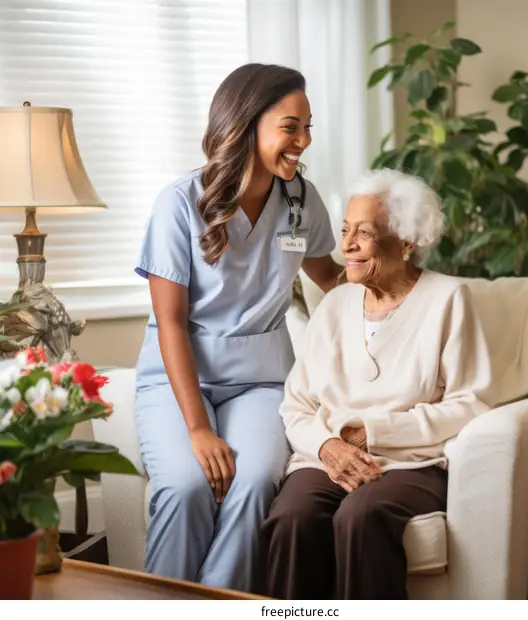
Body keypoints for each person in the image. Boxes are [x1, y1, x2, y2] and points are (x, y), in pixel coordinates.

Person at [133, 63, 343, 593]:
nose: (304, 141)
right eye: (291, 127)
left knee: (252, 483)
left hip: (263, 381)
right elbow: (170, 322)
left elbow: (335, 281)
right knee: (185, 486)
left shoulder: (300, 200)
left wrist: (392, 268)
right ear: (247, 123)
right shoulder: (180, 203)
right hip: (179, 379)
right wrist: (199, 429)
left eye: (308, 127)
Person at [261, 168, 494, 600]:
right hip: (326, 456)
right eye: (345, 229)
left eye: (363, 234)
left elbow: (471, 402)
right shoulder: (334, 305)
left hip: (410, 462)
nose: (345, 245)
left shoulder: (449, 300)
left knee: (361, 516)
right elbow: (296, 404)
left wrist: (377, 432)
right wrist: (329, 447)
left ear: (406, 242)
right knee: (292, 516)